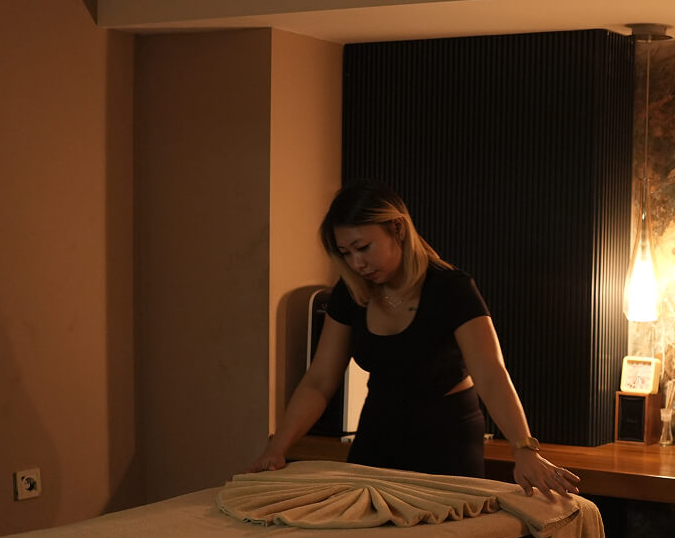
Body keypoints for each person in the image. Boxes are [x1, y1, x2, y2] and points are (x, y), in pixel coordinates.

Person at [248, 179, 580, 500]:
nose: (357, 263)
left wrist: (524, 449)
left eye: (363, 247)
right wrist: (277, 449)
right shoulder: (349, 294)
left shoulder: (452, 289)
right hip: (378, 427)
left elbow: (491, 375)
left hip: (447, 431)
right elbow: (319, 381)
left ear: (398, 229)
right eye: (346, 253)